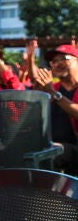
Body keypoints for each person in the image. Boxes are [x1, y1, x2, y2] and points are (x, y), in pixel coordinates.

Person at [34, 44, 78, 175]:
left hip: (72, 148)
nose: (58, 63)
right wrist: (37, 94)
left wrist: (54, 94)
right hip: (49, 145)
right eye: (54, 61)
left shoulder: (52, 90)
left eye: (63, 58)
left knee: (46, 154)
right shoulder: (50, 87)